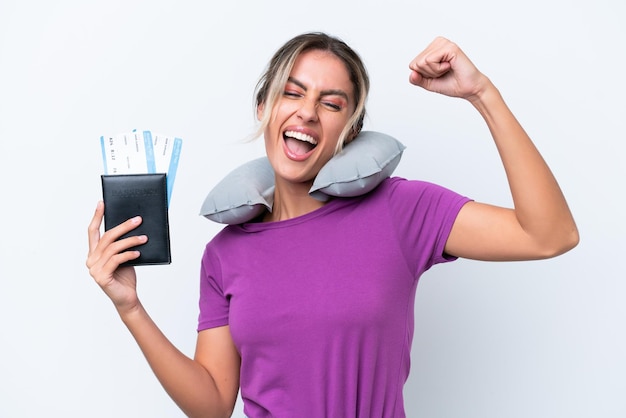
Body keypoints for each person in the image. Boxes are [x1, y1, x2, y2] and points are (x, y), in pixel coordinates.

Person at [86, 32, 579, 418]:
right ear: (265, 108)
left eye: (331, 102)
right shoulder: (224, 254)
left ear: (350, 130)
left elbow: (550, 234)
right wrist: (130, 307)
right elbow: (213, 403)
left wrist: (482, 93)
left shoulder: (401, 210)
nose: (306, 112)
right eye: (291, 93)